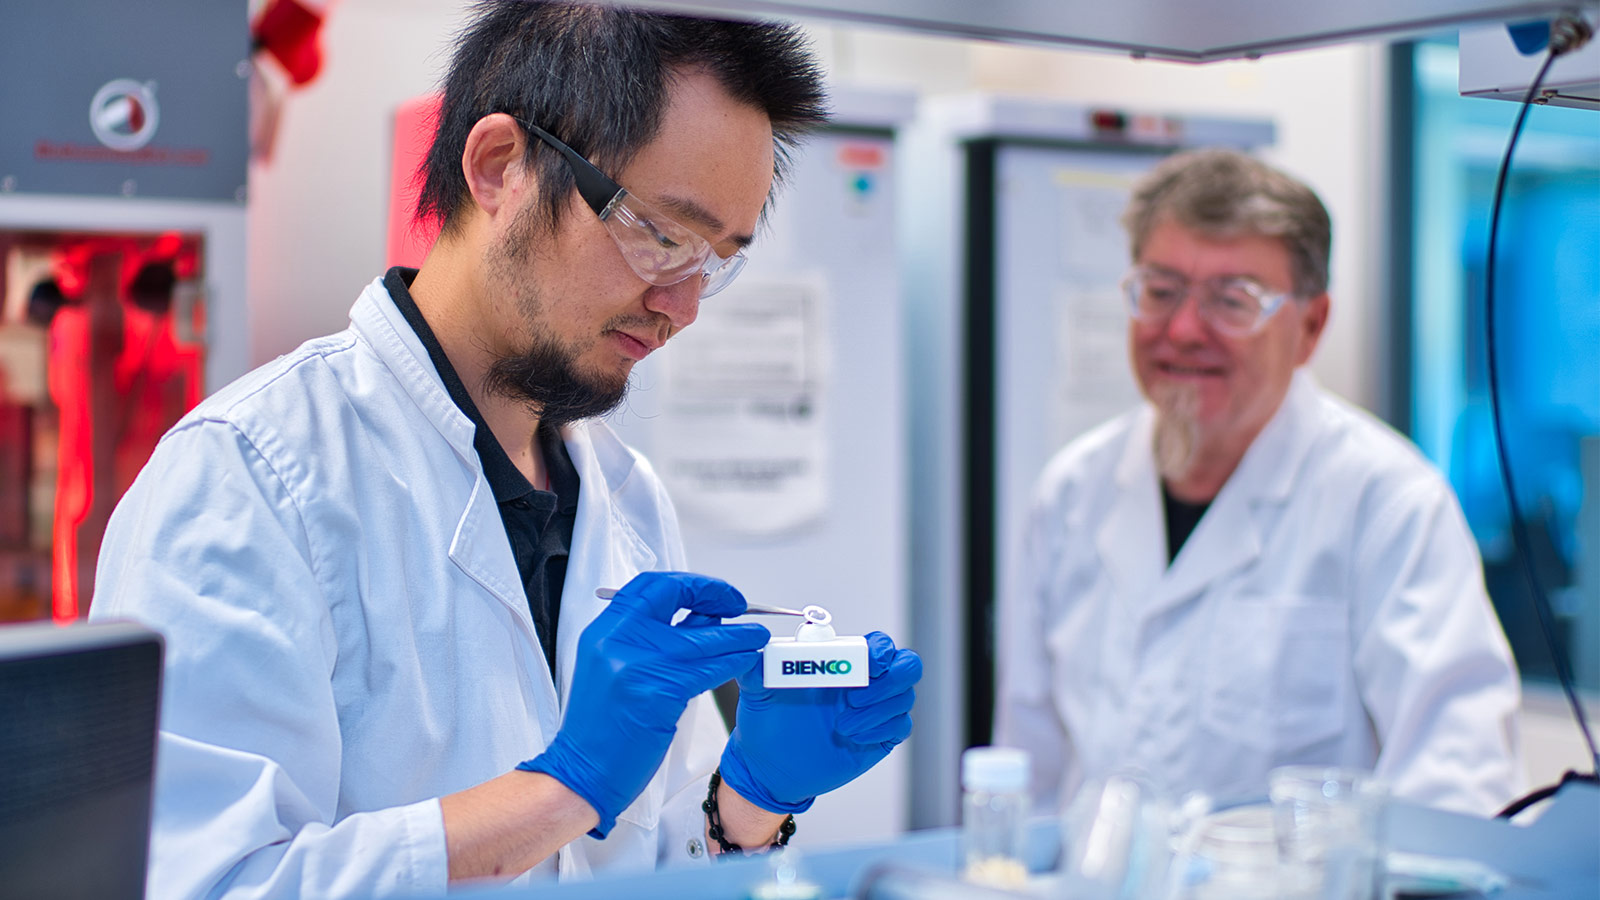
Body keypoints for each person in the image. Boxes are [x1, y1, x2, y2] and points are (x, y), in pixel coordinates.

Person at [88, 3, 921, 896]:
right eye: (661, 234)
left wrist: (747, 804)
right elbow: (201, 881)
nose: (682, 306)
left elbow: (638, 864)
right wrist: (561, 791)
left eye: (717, 259)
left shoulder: (626, 497)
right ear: (499, 167)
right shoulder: (249, 477)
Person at [993, 148, 1522, 818]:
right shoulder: (1071, 493)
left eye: (1231, 300)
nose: (1183, 331)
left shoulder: (1387, 502)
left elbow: (1457, 789)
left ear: (1310, 326)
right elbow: (1025, 774)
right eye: (1160, 291)